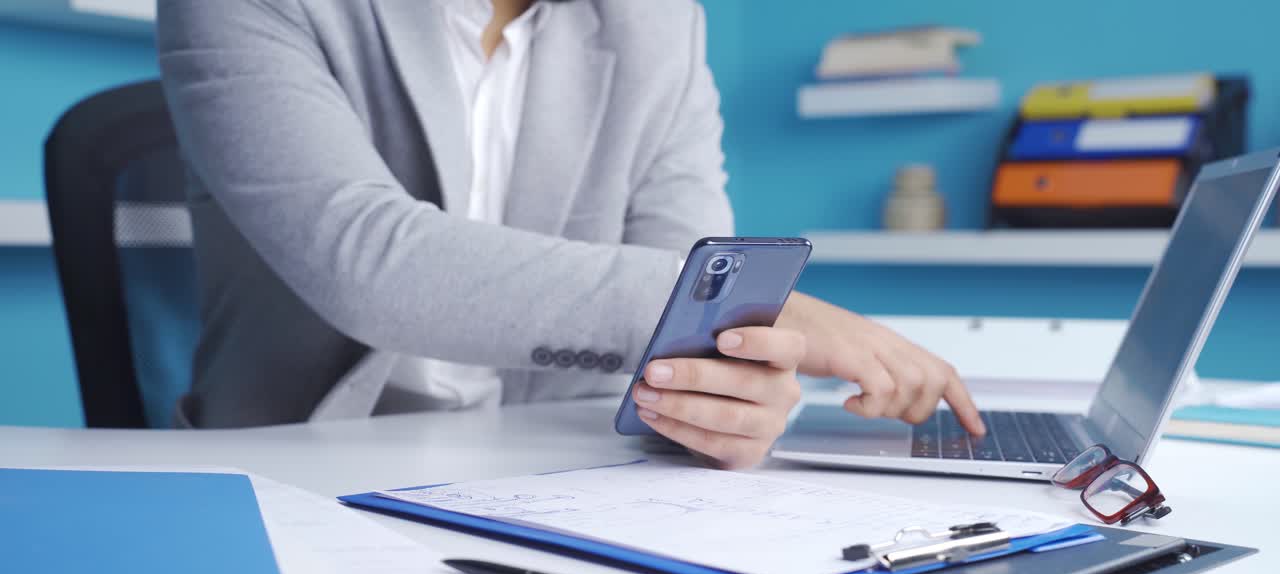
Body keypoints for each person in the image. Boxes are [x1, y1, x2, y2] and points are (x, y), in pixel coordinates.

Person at [157, 0, 985, 469]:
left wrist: (729, 393)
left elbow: (692, 301)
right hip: (297, 464)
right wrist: (771, 312)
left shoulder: (659, 24)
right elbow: (365, 259)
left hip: (552, 462)